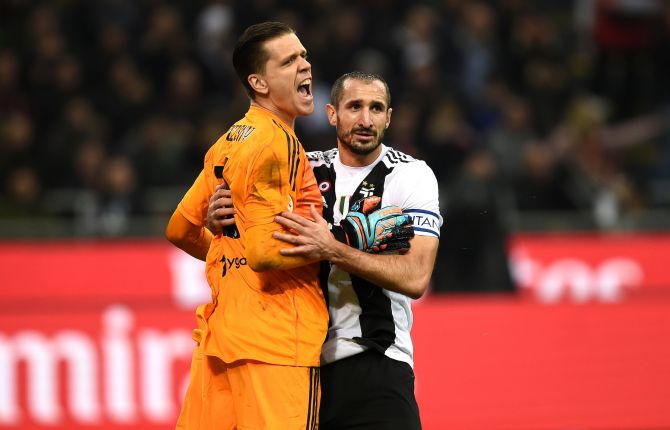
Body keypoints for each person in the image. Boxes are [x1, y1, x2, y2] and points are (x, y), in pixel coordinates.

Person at [165, 24, 412, 430]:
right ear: (259, 83)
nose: (305, 66)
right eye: (288, 61)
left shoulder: (229, 141)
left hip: (221, 339)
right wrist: (350, 238)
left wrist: (232, 245)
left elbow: (179, 230)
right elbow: (264, 253)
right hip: (277, 339)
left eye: (303, 56)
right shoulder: (278, 144)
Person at [208, 71, 442, 429]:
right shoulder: (302, 168)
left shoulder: (410, 175)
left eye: (376, 108)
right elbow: (257, 251)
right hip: (299, 368)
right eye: (355, 107)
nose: (366, 120)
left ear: (389, 117)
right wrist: (223, 224)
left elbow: (416, 277)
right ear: (332, 114)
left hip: (377, 363)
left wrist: (332, 248)